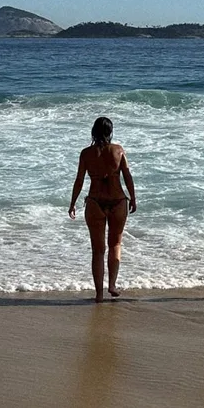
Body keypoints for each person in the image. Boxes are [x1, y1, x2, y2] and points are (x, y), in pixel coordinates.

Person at [69, 117, 136, 301]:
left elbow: (79, 180)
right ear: (110, 132)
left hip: (95, 202)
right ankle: (112, 285)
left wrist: (73, 202)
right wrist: (133, 198)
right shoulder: (118, 150)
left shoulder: (86, 153)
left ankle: (99, 294)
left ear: (93, 131)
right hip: (118, 201)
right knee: (115, 244)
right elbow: (127, 176)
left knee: (97, 251)